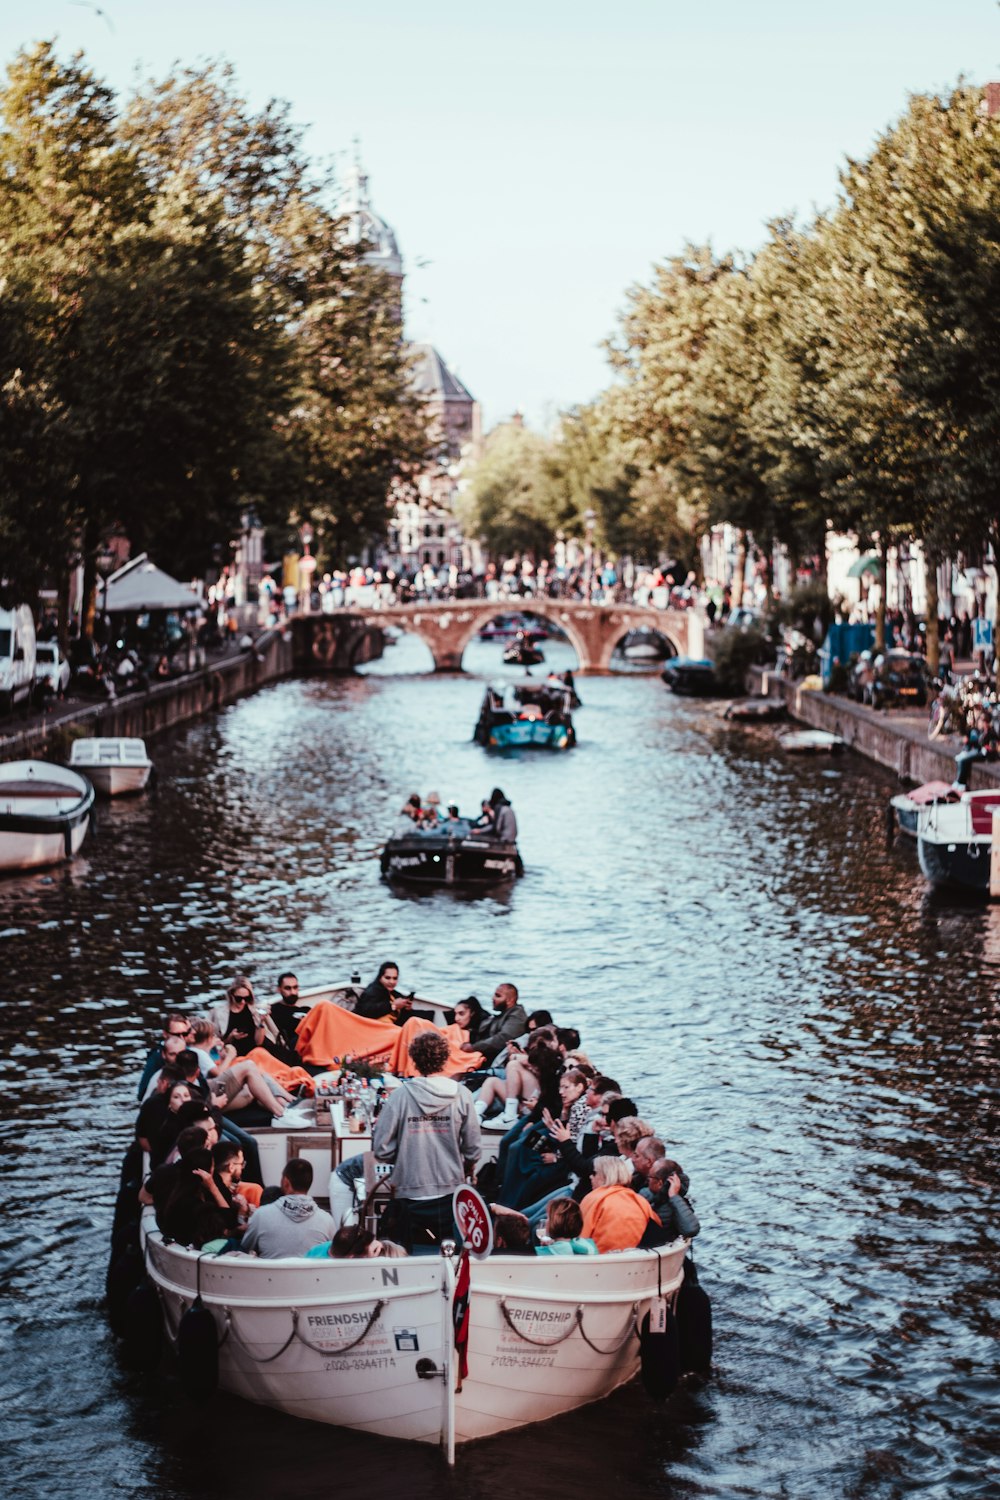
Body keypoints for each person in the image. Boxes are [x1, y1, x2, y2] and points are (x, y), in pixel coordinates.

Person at [372, 1030, 480, 1251]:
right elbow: (473, 1149)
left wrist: (403, 1153)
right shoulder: (463, 1094)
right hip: (451, 1193)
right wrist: (467, 1163)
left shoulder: (400, 1096)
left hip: (409, 1194)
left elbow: (381, 1149)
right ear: (445, 1058)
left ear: (415, 1060)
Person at [239, 1159, 336, 1258]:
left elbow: (245, 1248)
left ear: (286, 1182)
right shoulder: (327, 1220)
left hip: (271, 1273)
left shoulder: (261, 1215)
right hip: (311, 1273)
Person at [580, 1156, 660, 1252]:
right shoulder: (640, 1201)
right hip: (635, 1258)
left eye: (594, 1173)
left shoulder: (593, 1198)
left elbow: (580, 1237)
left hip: (600, 1260)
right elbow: (657, 1228)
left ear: (605, 1175)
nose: (590, 1176)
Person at [459, 982, 526, 1064]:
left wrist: (473, 1047)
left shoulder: (517, 1016)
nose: (493, 998)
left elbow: (503, 1039)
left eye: (498, 996)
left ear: (510, 1000)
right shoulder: (503, 1014)